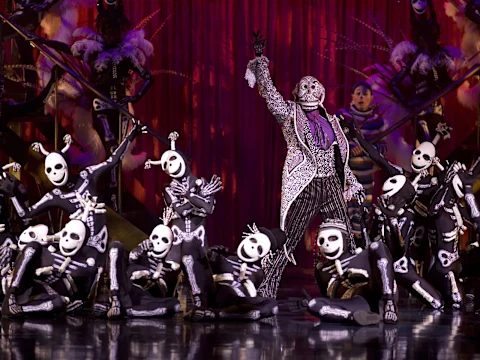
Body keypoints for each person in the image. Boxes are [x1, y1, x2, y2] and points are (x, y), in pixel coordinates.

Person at [245, 31, 363, 298]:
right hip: (306, 183)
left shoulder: (332, 121)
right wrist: (261, 60)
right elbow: (270, 94)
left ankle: (352, 286)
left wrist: (352, 182)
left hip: (331, 183)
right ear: (297, 92)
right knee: (289, 236)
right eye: (304, 86)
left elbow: (339, 157)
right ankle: (268, 285)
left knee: (344, 235)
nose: (309, 88)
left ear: (321, 92)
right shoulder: (290, 114)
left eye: (314, 85)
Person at [337, 82, 386, 245]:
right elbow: (332, 142)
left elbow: (383, 148)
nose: (361, 97)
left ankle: (359, 247)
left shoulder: (378, 121)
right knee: (344, 212)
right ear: (352, 96)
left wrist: (367, 149)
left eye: (365, 94)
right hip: (344, 175)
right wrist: (350, 149)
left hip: (366, 176)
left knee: (363, 211)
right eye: (358, 93)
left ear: (371, 98)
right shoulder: (342, 116)